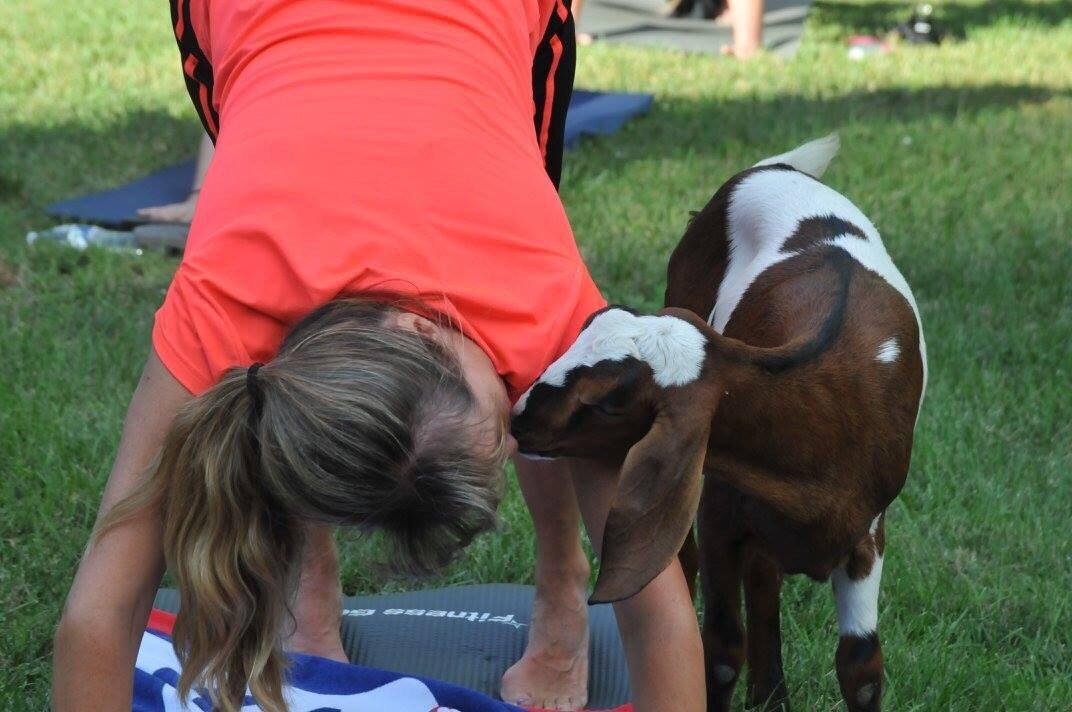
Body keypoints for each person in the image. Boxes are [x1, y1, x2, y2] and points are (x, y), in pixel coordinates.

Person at [51, 2, 705, 712]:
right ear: (420, 331)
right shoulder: (225, 293)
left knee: (549, 393)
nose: (521, 417)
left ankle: (562, 577)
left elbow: (654, 605)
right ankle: (311, 585)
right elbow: (92, 625)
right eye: (512, 411)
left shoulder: (550, 310)